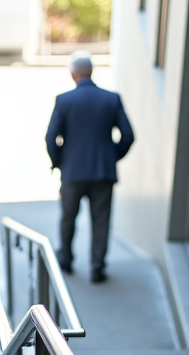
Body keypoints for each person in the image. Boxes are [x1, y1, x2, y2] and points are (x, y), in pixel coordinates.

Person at [45, 53, 134, 283]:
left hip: (73, 172)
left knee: (68, 218)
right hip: (103, 172)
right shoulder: (111, 99)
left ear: (73, 74)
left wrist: (59, 161)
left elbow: (51, 137)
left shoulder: (64, 100)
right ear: (91, 72)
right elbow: (128, 135)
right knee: (101, 220)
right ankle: (97, 267)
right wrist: (111, 156)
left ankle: (66, 258)